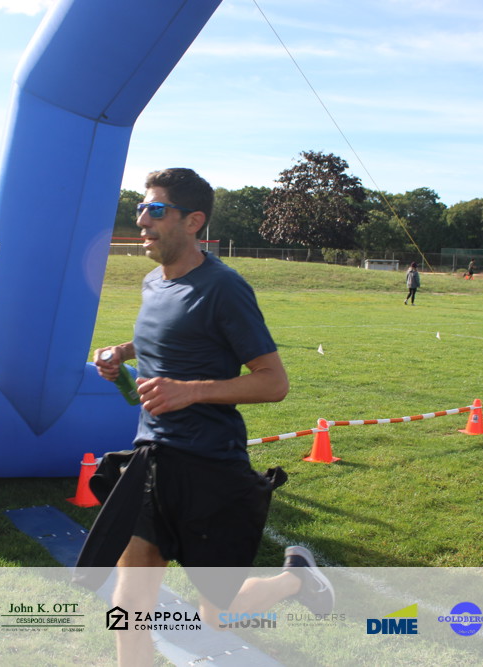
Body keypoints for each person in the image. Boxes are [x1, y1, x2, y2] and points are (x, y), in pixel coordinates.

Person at [93, 168, 333, 667]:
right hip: (152, 460)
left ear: (193, 221)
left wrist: (190, 392)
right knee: (129, 603)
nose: (142, 220)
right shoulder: (152, 282)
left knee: (216, 614)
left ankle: (294, 579)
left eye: (155, 210)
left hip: (209, 467)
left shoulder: (224, 288)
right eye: (141, 209)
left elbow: (274, 382)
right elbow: (171, 333)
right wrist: (122, 352)